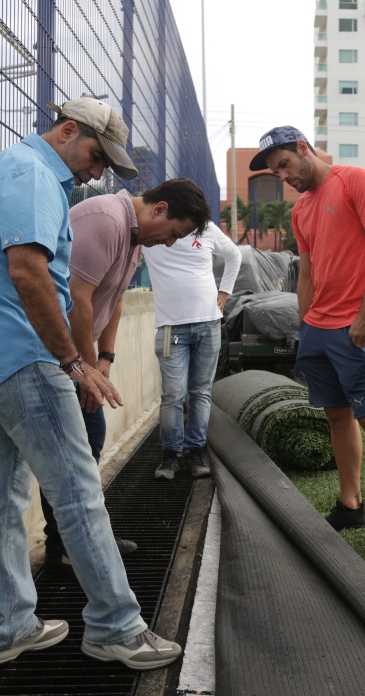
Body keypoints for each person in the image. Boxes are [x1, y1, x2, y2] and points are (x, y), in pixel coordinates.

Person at [0, 97, 182, 670]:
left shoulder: (21, 168)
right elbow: (28, 270)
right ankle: (115, 627)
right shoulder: (33, 172)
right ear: (68, 130)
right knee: (80, 494)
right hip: (28, 357)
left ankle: (5, 627)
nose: (98, 171)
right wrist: (74, 361)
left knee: (4, 498)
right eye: (96, 155)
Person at [252, 126, 365, 562]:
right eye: (277, 173)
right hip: (318, 326)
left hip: (360, 321)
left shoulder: (355, 179)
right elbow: (307, 273)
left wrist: (364, 315)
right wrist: (304, 325)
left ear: (304, 149)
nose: (285, 177)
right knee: (337, 415)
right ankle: (351, 505)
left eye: (285, 165)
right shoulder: (300, 211)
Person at [41, 178, 212, 575]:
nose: (170, 243)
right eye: (173, 233)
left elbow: (114, 298)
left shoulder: (133, 237)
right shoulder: (106, 219)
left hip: (77, 360)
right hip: (52, 358)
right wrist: (82, 368)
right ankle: (68, 545)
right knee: (72, 454)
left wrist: (105, 358)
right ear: (160, 209)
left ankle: (80, 539)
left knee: (87, 444)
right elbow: (76, 301)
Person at [147, 218, 241, 480]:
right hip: (171, 329)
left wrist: (225, 291)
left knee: (201, 392)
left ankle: (195, 452)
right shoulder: (151, 231)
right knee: (173, 394)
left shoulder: (206, 227)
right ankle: (171, 455)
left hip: (209, 325)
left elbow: (233, 255)